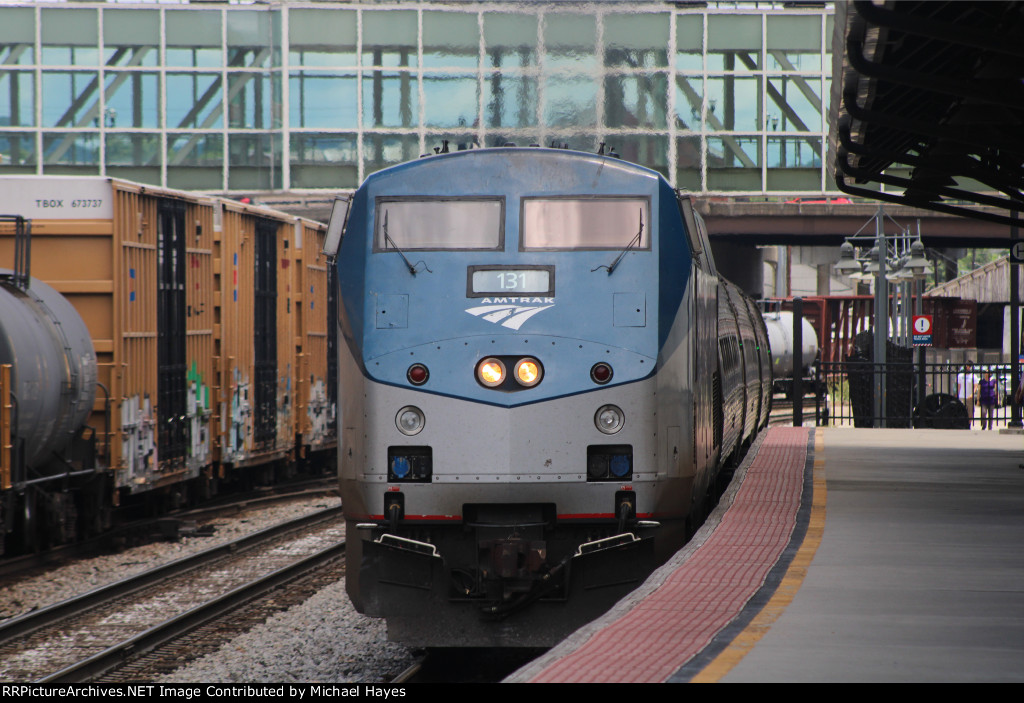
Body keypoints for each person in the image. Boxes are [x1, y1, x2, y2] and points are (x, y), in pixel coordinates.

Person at [956, 360, 978, 427]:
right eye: (967, 366)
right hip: (962, 396)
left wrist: (972, 394)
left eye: (969, 366)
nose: (968, 367)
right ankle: (962, 424)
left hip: (969, 397)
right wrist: (957, 394)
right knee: (961, 411)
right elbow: (959, 386)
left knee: (970, 411)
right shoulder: (960, 376)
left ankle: (969, 424)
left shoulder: (974, 376)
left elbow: (975, 386)